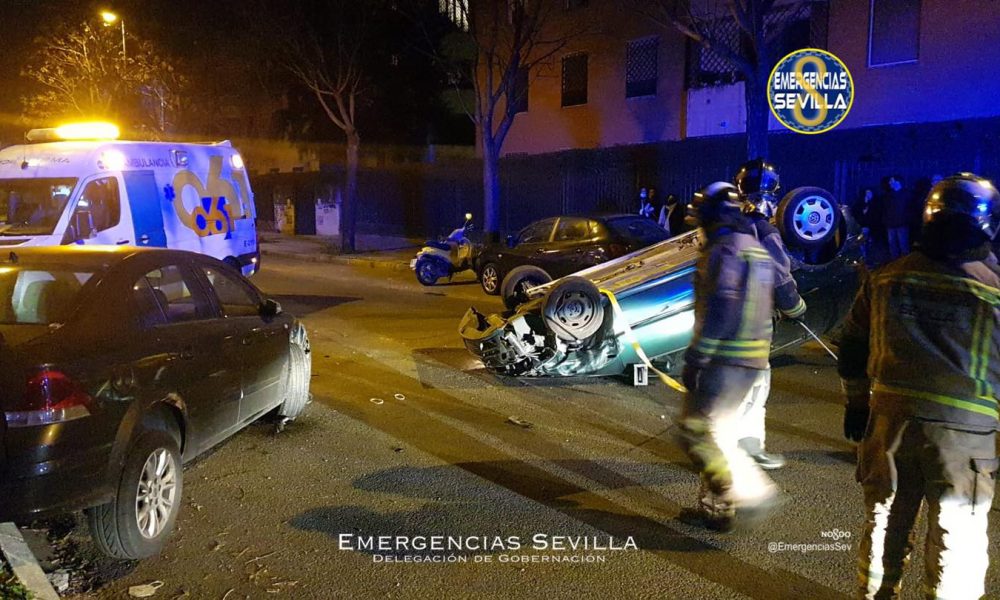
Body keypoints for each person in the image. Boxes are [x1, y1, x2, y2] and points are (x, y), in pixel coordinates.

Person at [839, 173, 1000, 599]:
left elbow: (852, 344)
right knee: (956, 540)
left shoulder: (887, 277)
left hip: (890, 428)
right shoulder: (994, 291)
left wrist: (856, 403)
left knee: (885, 522)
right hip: (965, 440)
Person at [675, 182, 785, 532]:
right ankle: (717, 510)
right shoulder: (756, 248)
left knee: (695, 432)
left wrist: (698, 357)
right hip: (752, 358)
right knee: (718, 432)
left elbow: (722, 306)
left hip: (723, 359)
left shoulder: (724, 251)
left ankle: (747, 492)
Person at [732, 158, 807, 471]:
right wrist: (796, 307)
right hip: (753, 325)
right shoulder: (765, 232)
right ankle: (743, 449)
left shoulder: (723, 231)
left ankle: (740, 447)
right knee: (754, 386)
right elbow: (778, 275)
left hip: (723, 323)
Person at [881, 175, 910, 260]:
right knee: (892, 244)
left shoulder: (906, 194)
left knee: (903, 244)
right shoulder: (888, 196)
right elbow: (885, 209)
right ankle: (895, 263)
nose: (889, 183)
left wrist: (906, 219)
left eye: (891, 181)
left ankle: (904, 263)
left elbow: (911, 208)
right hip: (891, 224)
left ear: (897, 182)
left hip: (902, 224)